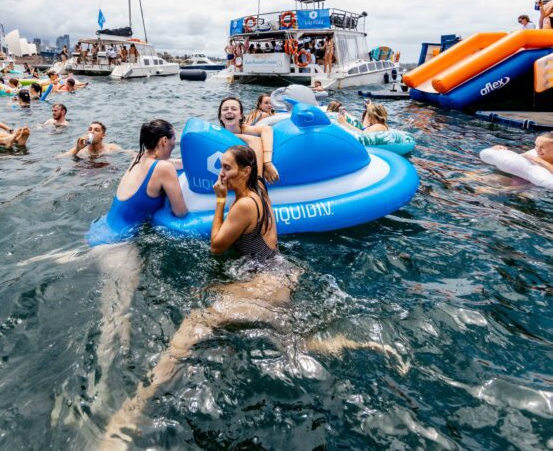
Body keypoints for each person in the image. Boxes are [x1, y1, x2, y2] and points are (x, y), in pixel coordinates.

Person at [102, 146, 407, 442]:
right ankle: (360, 343)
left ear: (246, 171)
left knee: (195, 323)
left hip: (265, 285)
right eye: (220, 166)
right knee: (292, 342)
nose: (220, 172)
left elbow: (217, 246)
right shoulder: (259, 190)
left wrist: (220, 201)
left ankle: (133, 412)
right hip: (280, 274)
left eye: (226, 167)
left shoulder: (244, 204)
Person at [218, 97, 279, 182]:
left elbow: (267, 129)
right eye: (225, 109)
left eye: (234, 109)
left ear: (240, 116)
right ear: (220, 116)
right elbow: (254, 140)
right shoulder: (218, 134)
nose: (229, 111)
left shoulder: (244, 129)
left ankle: (258, 181)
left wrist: (267, 163)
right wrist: (240, 137)